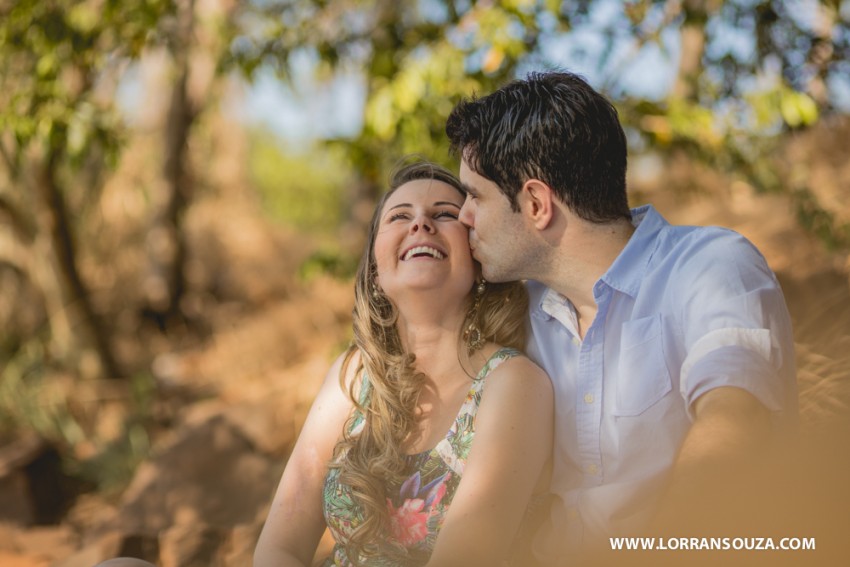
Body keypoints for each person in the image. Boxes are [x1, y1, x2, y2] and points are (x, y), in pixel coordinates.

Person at [445, 71, 797, 563]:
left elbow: (733, 426)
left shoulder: (711, 266)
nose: (463, 216)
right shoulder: (520, 316)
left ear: (536, 204)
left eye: (474, 196)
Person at [253, 160, 553, 567]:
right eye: (399, 216)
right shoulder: (356, 375)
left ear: (478, 254)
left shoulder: (514, 383)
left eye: (445, 214)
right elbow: (279, 548)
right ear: (375, 270)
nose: (421, 224)